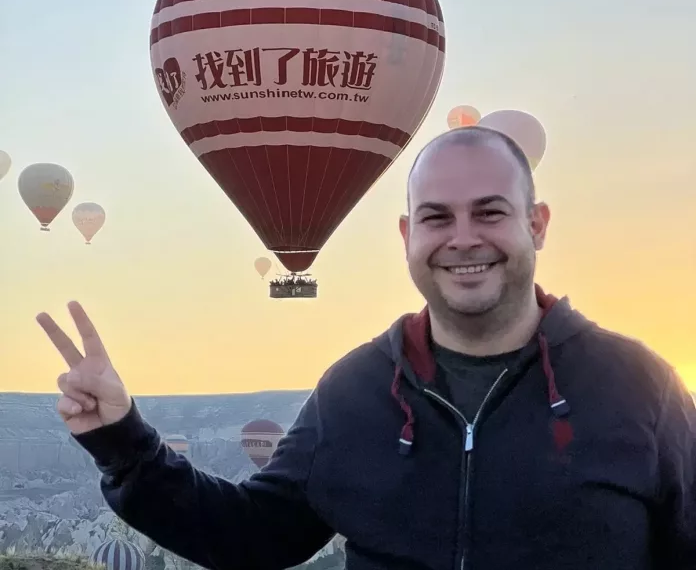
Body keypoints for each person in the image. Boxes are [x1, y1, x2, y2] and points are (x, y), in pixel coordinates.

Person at [37, 126, 696, 570]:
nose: (463, 238)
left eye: (490, 212)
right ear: (407, 234)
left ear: (537, 224)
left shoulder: (640, 387)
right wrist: (122, 441)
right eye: (437, 217)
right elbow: (253, 533)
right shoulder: (356, 390)